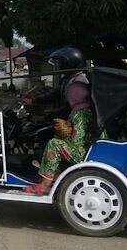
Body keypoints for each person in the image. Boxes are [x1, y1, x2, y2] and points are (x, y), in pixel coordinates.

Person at [23, 47, 96, 195]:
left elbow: (75, 141)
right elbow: (55, 95)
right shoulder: (71, 81)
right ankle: (52, 174)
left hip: (83, 152)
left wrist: (50, 116)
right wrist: (36, 101)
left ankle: (44, 185)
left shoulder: (78, 87)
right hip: (82, 143)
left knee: (53, 143)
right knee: (49, 138)